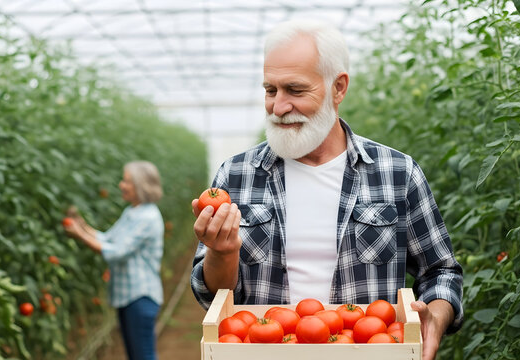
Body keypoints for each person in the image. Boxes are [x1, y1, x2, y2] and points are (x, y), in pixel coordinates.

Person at [190, 19, 463, 359]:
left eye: (296, 90)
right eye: (270, 90)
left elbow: (440, 271)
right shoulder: (236, 176)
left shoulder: (397, 173)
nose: (278, 107)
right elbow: (211, 295)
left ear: (339, 88)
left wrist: (435, 318)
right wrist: (222, 252)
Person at [65, 160, 164, 360]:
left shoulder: (148, 217)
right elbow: (108, 238)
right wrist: (81, 225)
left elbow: (117, 251)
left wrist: (79, 234)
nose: (121, 185)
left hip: (140, 296)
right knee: (135, 355)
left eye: (127, 181)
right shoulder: (133, 211)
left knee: (143, 355)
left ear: (141, 184)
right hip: (127, 296)